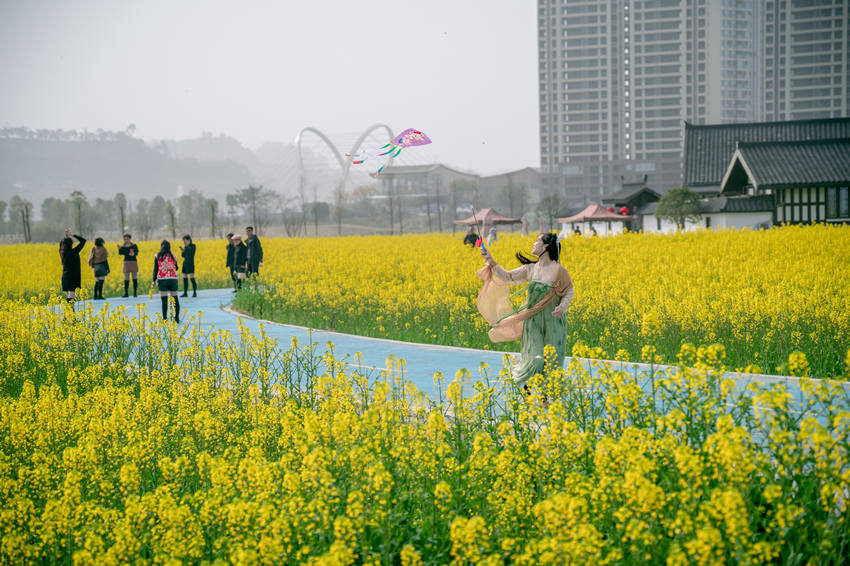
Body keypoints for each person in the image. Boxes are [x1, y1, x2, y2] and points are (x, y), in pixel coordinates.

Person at [477, 232, 574, 388]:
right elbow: (508, 276)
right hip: (533, 321)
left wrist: (562, 307)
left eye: (537, 241)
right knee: (535, 358)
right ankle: (527, 388)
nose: (533, 243)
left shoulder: (559, 270)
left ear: (545, 247)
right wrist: (490, 260)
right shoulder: (530, 269)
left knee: (552, 362)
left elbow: (569, 290)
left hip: (553, 322)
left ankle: (546, 396)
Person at [151, 240, 181, 323]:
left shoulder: (157, 256)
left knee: (164, 300)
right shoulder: (174, 256)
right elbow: (177, 268)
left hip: (162, 279)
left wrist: (153, 280)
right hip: (173, 279)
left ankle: (164, 319)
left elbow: (155, 269)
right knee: (175, 299)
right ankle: (176, 318)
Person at [59, 229, 86, 303]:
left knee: (69, 298)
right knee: (71, 298)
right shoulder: (73, 252)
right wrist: (72, 235)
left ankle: (68, 313)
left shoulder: (62, 253)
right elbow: (83, 241)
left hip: (65, 277)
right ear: (71, 244)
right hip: (73, 278)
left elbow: (61, 244)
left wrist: (66, 237)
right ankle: (71, 313)